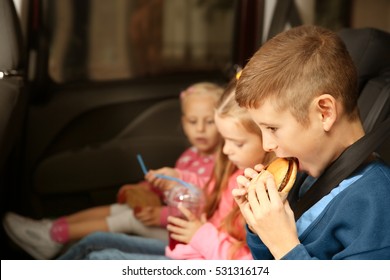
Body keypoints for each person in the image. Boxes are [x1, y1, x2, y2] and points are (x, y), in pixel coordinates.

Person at [57, 78, 275, 259]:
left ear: (267, 139)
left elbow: (249, 264)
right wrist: (178, 177)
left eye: (236, 143)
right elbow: (208, 190)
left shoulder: (263, 194)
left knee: (101, 259)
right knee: (94, 242)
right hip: (191, 249)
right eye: (224, 140)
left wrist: (200, 234)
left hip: (201, 254)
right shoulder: (233, 169)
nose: (225, 150)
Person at [2, 82, 223, 260]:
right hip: (169, 217)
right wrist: (147, 187)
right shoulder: (190, 155)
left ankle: (53, 237)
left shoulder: (221, 163)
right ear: (183, 122)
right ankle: (52, 228)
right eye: (193, 121)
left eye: (209, 122)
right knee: (119, 207)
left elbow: (204, 203)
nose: (200, 129)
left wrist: (160, 216)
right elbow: (170, 185)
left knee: (129, 218)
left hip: (183, 230)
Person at [232, 25, 390, 260]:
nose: (267, 145)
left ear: (324, 113)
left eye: (273, 128)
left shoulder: (377, 202)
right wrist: (260, 227)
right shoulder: (305, 175)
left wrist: (283, 243)